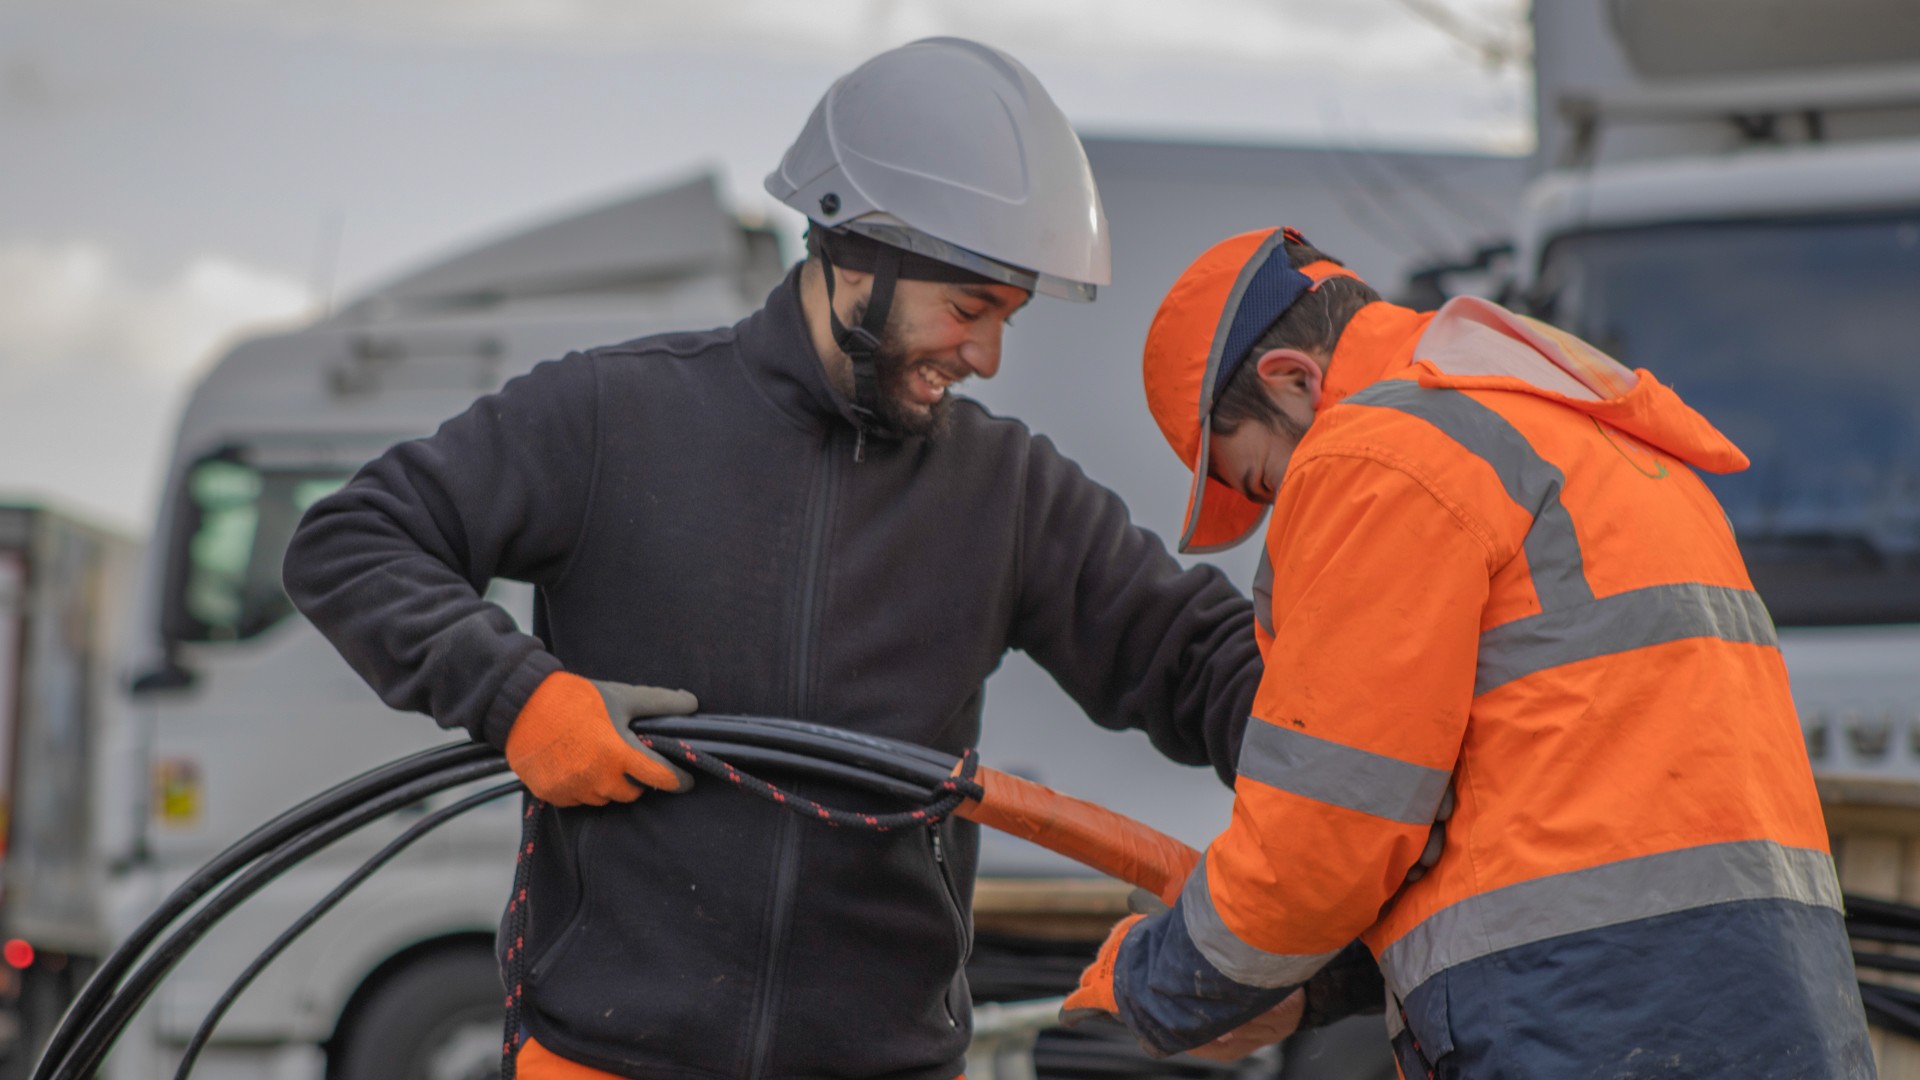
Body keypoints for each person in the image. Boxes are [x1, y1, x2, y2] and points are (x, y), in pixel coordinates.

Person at [283, 40, 1373, 1080]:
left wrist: (1381, 746)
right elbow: (353, 541)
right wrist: (519, 697)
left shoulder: (1005, 489)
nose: (988, 356)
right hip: (605, 1060)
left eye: (1008, 318)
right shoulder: (613, 417)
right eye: (969, 308)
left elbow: (1196, 660)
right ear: (859, 256)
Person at [1063, 226, 1875, 1076]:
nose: (1284, 511)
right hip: (1783, 1007)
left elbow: (1328, 832)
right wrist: (1314, 987)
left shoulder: (1381, 453)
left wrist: (1157, 982)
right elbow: (1548, 816)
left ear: (1294, 379)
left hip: (1581, 1019)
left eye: (1267, 479)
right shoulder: (1601, 445)